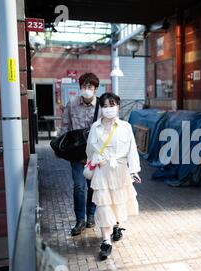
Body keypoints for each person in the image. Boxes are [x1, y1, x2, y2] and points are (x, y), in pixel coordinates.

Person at [86, 92, 141, 260]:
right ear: (100, 108)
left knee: (117, 203)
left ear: (118, 106)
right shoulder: (95, 128)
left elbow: (132, 149)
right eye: (105, 106)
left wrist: (134, 170)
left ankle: (116, 225)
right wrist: (95, 160)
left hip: (120, 171)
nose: (108, 109)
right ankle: (105, 241)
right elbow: (89, 150)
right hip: (102, 171)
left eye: (112, 105)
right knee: (103, 205)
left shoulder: (125, 127)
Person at [59, 73, 101, 236]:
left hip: (95, 154)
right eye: (83, 86)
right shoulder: (72, 104)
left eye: (89, 87)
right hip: (76, 154)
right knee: (79, 186)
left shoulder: (101, 106)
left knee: (92, 186)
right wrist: (60, 147)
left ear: (95, 89)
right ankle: (80, 220)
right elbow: (64, 126)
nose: (86, 90)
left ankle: (91, 215)